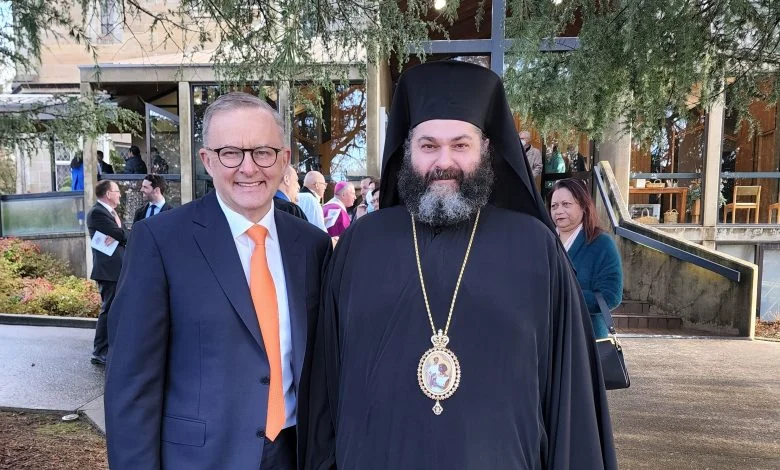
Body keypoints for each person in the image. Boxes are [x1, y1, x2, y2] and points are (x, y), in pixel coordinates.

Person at [304, 60, 616, 469]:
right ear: (408, 150)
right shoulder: (361, 245)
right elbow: (326, 390)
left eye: (461, 145)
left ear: (486, 148)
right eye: (429, 145)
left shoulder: (535, 249)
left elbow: (570, 402)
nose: (443, 161)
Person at [105, 92, 332, 470]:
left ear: (284, 160)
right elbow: (131, 386)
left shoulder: (311, 245)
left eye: (263, 152)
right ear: (207, 160)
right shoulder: (160, 242)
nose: (248, 168)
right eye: (230, 153)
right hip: (200, 459)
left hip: (294, 454)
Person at [549, 179, 623, 339]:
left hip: (586, 337)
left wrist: (562, 297)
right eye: (554, 206)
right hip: (547, 338)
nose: (558, 211)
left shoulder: (601, 243)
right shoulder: (544, 241)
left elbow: (611, 295)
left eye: (566, 204)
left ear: (583, 206)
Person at [86, 180, 128, 365]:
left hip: (116, 269)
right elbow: (119, 234)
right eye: (117, 191)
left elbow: (119, 235)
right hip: (108, 271)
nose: (120, 194)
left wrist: (120, 235)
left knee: (116, 309)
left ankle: (111, 348)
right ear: (108, 194)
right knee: (108, 310)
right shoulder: (97, 212)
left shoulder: (110, 213)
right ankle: (99, 351)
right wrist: (121, 235)